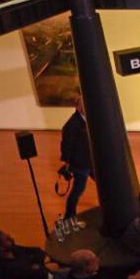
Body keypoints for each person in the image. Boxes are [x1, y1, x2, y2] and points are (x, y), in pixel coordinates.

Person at [58, 94, 91, 231]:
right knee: (78, 190)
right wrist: (67, 163)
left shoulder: (87, 119)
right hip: (80, 163)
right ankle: (69, 217)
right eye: (83, 104)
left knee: (105, 184)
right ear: (77, 106)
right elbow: (66, 146)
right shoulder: (71, 125)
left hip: (90, 161)